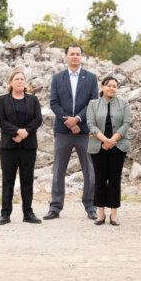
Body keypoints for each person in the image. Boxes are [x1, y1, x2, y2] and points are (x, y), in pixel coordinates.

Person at [45, 44, 98, 221]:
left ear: (82, 57)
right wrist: (68, 121)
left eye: (78, 54)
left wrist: (78, 120)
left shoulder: (91, 78)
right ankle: (55, 207)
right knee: (59, 169)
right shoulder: (57, 78)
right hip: (63, 131)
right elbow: (54, 103)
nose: (75, 57)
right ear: (66, 56)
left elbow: (93, 102)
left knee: (89, 170)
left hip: (83, 131)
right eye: (71, 54)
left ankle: (90, 206)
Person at [0, 67, 43, 225]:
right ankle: (5, 213)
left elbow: (38, 119)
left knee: (27, 180)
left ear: (26, 82)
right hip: (9, 146)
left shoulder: (33, 100)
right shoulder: (2, 100)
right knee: (8, 180)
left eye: (22, 79)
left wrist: (25, 132)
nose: (20, 81)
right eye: (17, 79)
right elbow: (1, 120)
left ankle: (28, 213)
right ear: (10, 82)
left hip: (28, 147)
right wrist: (16, 132)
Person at [86, 76, 132, 226]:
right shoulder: (93, 104)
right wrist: (105, 140)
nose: (112, 88)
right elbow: (91, 125)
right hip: (98, 146)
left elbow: (126, 123)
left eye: (114, 86)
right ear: (102, 87)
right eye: (109, 85)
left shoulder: (123, 104)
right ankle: (100, 213)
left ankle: (113, 214)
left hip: (118, 146)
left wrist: (113, 140)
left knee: (114, 179)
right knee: (100, 179)